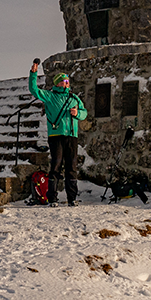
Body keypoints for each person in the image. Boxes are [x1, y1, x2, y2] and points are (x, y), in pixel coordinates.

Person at [28, 60, 87, 207]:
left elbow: (84, 113)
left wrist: (77, 113)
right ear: (57, 83)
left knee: (72, 167)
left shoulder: (74, 98)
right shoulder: (50, 96)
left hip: (72, 136)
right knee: (56, 166)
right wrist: (33, 74)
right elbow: (34, 90)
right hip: (56, 136)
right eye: (63, 81)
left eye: (67, 80)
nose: (66, 83)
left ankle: (72, 198)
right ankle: (52, 198)